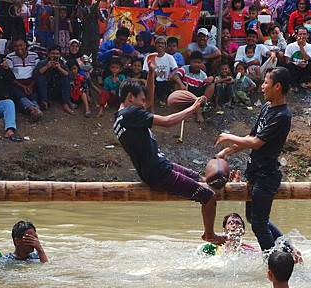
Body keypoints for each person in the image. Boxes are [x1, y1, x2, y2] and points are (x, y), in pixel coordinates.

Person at [114, 57, 225, 245]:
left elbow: (148, 102)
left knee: (202, 180)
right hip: (158, 173)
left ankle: (211, 224)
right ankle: (210, 235)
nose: (144, 104)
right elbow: (167, 122)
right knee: (208, 196)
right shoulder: (132, 113)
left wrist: (150, 72)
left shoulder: (121, 115)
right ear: (130, 98)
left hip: (158, 167)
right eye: (140, 100)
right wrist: (193, 108)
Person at [215, 67, 293, 252]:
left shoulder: (282, 115)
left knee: (258, 224)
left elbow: (257, 143)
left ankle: (273, 262)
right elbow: (251, 137)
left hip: (267, 176)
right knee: (253, 219)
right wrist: (227, 152)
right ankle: (288, 250)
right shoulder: (267, 107)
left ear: (277, 87)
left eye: (266, 82)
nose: (262, 87)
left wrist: (228, 136)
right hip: (255, 173)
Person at [5, 36, 43, 120]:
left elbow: (37, 72)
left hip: (31, 82)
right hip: (17, 83)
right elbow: (10, 75)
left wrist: (31, 85)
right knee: (19, 94)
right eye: (16, 46)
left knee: (33, 95)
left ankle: (34, 110)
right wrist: (23, 86)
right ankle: (34, 110)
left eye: (21, 45)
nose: (19, 48)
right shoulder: (9, 57)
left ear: (25, 45)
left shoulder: (34, 55)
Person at [174, 51, 215, 123]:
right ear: (190, 62)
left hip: (196, 95)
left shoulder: (203, 75)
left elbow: (203, 89)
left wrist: (212, 79)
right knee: (177, 84)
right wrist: (181, 85)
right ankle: (181, 110)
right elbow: (176, 76)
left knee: (211, 84)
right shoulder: (184, 68)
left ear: (202, 63)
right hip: (185, 91)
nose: (197, 64)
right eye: (194, 62)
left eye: (199, 62)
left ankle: (200, 109)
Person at [34, 45, 75, 114]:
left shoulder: (62, 63)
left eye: (57, 54)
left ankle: (65, 103)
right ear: (48, 54)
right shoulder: (43, 62)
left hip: (58, 90)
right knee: (41, 77)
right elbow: (36, 74)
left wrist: (59, 68)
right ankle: (44, 102)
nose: (55, 56)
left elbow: (69, 75)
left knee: (65, 77)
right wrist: (47, 66)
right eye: (52, 53)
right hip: (46, 90)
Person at [143, 36, 178, 106]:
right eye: (158, 43)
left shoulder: (169, 57)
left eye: (162, 43)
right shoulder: (149, 56)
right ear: (155, 45)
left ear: (165, 46)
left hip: (166, 81)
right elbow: (145, 71)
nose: (160, 45)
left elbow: (176, 69)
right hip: (153, 80)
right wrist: (153, 73)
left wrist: (171, 75)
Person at [284, 26, 311, 91]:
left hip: (305, 68)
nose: (302, 36)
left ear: (307, 35)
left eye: (304, 34)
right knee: (289, 65)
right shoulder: (290, 46)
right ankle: (293, 85)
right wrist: (297, 64)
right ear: (296, 35)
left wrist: (301, 46)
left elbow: (307, 58)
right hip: (294, 68)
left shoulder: (310, 46)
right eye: (300, 34)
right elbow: (287, 61)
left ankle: (304, 82)